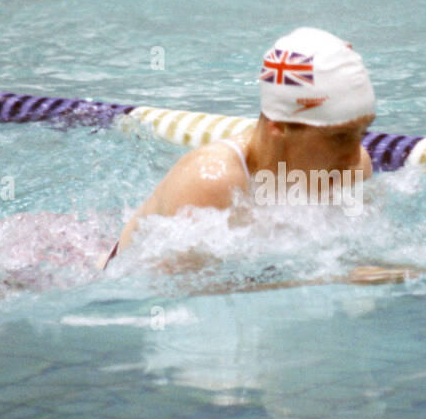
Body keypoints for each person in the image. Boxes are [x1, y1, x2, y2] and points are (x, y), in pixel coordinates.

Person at [102, 27, 377, 270]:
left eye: (362, 134)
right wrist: (333, 282)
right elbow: (189, 299)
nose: (354, 157)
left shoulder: (351, 171)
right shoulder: (211, 182)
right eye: (338, 138)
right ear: (278, 125)